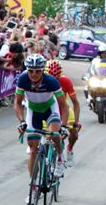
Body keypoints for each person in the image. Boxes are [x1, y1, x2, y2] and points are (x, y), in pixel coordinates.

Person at [15, 53, 69, 193]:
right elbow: (17, 102)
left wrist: (63, 126)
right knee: (33, 150)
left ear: (42, 70)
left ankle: (59, 158)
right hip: (33, 111)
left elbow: (63, 105)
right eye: (31, 70)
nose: (34, 74)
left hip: (50, 109)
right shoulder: (22, 79)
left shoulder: (51, 81)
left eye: (37, 71)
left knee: (55, 134)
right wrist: (21, 121)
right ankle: (33, 186)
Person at [45, 60, 81, 166]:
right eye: (51, 78)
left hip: (63, 108)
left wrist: (76, 122)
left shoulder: (65, 81)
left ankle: (69, 149)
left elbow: (76, 103)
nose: (54, 81)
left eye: (56, 78)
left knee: (74, 132)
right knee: (47, 135)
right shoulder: (41, 80)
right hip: (48, 109)